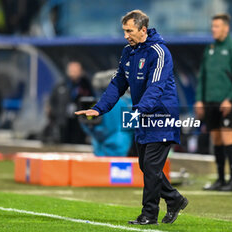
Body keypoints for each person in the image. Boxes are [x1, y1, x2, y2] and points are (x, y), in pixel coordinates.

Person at [75, 10, 188, 225]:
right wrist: (99, 108)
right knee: (146, 166)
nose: (126, 35)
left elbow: (156, 87)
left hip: (162, 116)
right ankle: (174, 199)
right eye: (124, 31)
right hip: (143, 115)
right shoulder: (128, 52)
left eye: (129, 30)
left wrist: (139, 110)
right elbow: (118, 83)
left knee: (152, 168)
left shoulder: (159, 52)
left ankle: (149, 214)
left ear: (143, 30)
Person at [195, 14, 232, 192]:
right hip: (210, 102)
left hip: (227, 103)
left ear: (226, 28)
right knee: (216, 140)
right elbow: (202, 76)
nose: (213, 30)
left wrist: (230, 99)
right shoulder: (210, 49)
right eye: (212, 27)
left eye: (217, 27)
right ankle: (220, 179)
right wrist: (199, 99)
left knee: (228, 139)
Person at [43, 61, 93, 144]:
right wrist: (56, 115)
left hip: (78, 124)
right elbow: (52, 101)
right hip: (62, 123)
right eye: (71, 70)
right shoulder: (61, 85)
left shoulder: (85, 86)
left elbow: (91, 101)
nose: (73, 73)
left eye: (76, 71)